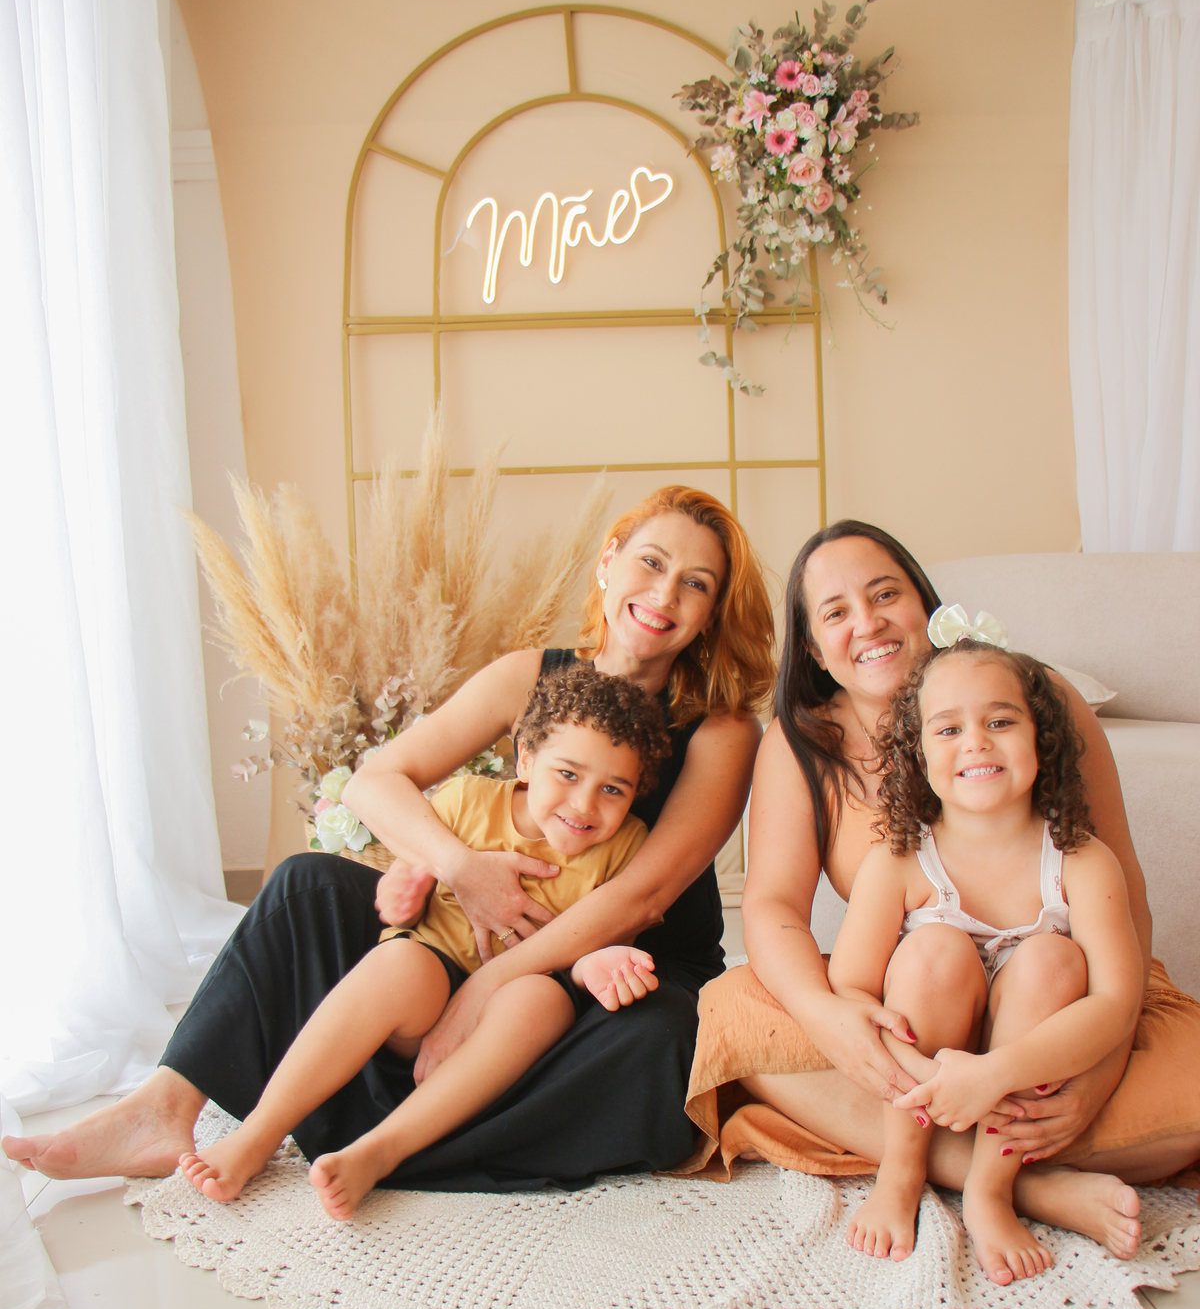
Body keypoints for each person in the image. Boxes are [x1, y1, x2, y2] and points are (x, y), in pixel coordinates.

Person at [5, 487, 774, 1190]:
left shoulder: (724, 729)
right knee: (304, 884)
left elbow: (644, 896)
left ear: (711, 613)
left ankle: (388, 1139)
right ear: (609, 562)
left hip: (612, 964)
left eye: (696, 584)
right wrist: (460, 867)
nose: (664, 594)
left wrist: (486, 989)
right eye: (651, 563)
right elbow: (375, 781)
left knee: (660, 1042)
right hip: (461, 934)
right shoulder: (527, 676)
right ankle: (164, 1107)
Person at [684, 521, 1200, 1254]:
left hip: (1056, 1006)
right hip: (912, 1017)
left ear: (927, 605)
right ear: (814, 648)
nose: (868, 624)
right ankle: (1026, 1186)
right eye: (836, 612)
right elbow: (771, 909)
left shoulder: (1040, 700)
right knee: (734, 1012)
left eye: (884, 594)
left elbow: (1123, 912)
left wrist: (1092, 1072)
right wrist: (832, 1021)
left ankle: (994, 1153)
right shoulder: (803, 743)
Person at [177, 665, 672, 1218]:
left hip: (510, 1022)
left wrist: (598, 966)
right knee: (402, 962)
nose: (584, 804)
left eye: (613, 789)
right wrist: (402, 893)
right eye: (568, 774)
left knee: (541, 1000)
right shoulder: (466, 802)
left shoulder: (626, 847)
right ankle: (259, 1133)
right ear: (526, 759)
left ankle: (378, 1152)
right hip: (425, 990)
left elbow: (596, 942)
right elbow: (406, 876)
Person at [828, 636, 1143, 1281]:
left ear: (1041, 739)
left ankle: (990, 1190)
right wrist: (927, 1075)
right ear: (918, 754)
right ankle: (902, 1171)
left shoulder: (1082, 860)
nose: (975, 743)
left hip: (1024, 1061)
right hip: (929, 1052)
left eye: (1000, 722)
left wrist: (994, 1074)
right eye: (949, 729)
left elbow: (1116, 1002)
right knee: (933, 949)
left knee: (1054, 959)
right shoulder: (897, 861)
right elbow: (851, 990)